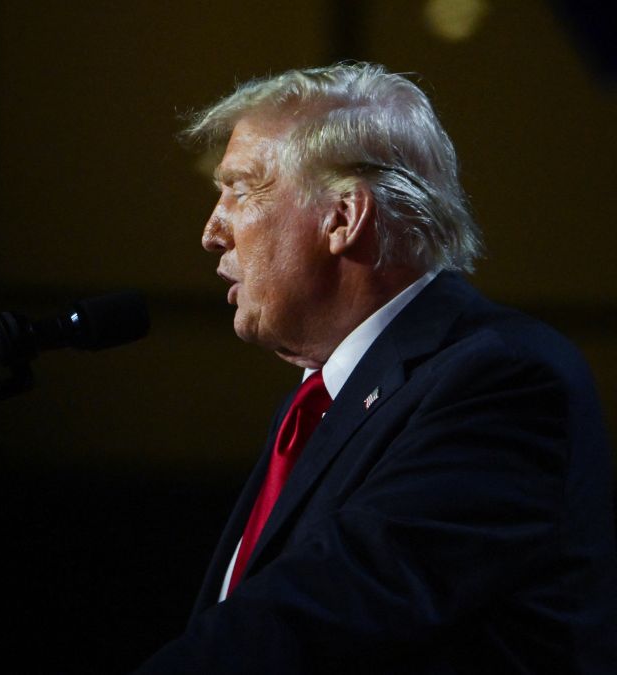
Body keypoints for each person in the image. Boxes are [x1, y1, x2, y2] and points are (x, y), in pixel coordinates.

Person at [135, 62, 617, 673]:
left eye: (241, 189)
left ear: (343, 218)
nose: (212, 232)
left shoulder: (504, 378)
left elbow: (333, 607)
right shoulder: (321, 399)